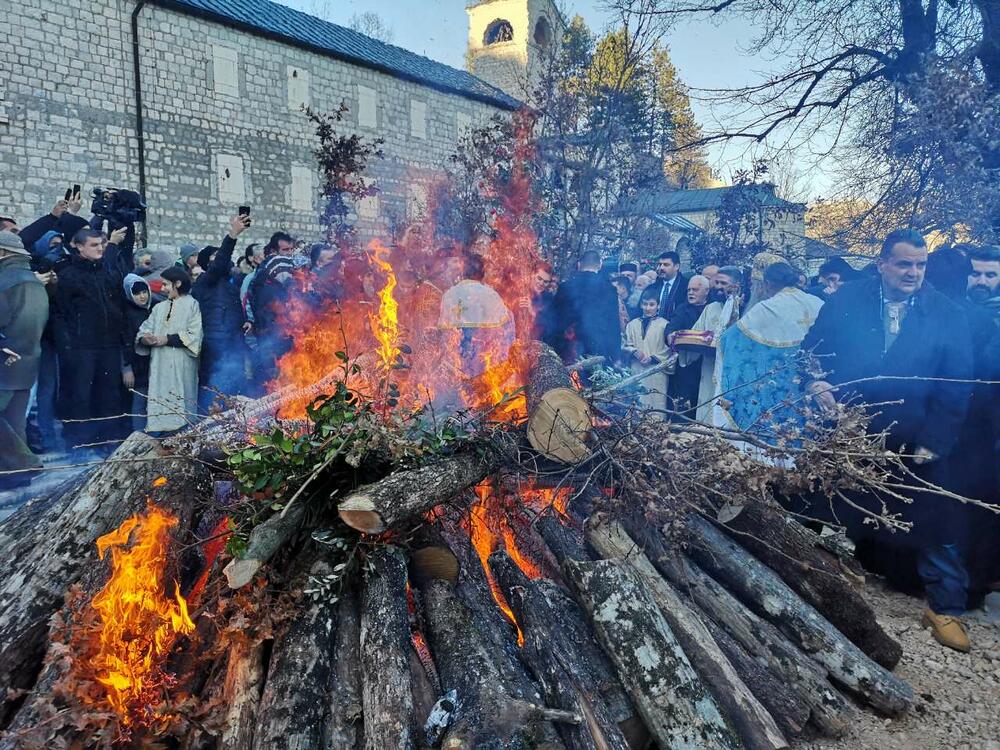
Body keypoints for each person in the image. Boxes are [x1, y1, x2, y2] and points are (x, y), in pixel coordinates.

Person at [801, 229, 974, 652]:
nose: (913, 272)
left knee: (935, 516)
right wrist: (815, 382)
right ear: (882, 264)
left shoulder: (947, 314)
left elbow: (957, 385)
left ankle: (944, 607)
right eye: (904, 264)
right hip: (850, 428)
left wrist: (936, 439)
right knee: (837, 509)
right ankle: (827, 592)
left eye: (920, 265)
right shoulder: (845, 301)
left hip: (916, 435)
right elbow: (812, 351)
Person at [713, 262, 823, 438]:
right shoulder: (817, 302)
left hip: (779, 382)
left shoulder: (766, 308)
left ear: (768, 283)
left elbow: (729, 339)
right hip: (813, 380)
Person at [52, 226, 132, 449]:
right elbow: (60, 314)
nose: (100, 249)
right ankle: (80, 445)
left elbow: (119, 307)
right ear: (78, 247)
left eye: (102, 244)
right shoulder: (68, 276)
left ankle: (109, 442)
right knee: (81, 396)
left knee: (109, 395)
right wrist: (67, 345)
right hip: (81, 347)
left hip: (109, 344)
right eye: (94, 245)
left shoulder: (108, 272)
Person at [0, 231, 48, 488]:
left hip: (4, 359)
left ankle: (24, 464)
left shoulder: (4, 281)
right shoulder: (35, 281)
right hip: (28, 361)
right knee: (14, 421)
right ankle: (15, 479)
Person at [192, 215, 250, 411]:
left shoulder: (229, 285)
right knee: (213, 388)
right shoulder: (205, 281)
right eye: (215, 258)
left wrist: (245, 322)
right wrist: (233, 234)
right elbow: (220, 263)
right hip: (216, 343)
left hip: (234, 341)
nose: (223, 260)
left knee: (234, 388)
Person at [137, 267, 203, 434]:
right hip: (160, 365)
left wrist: (166, 339)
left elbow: (195, 335)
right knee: (160, 402)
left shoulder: (192, 305)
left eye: (166, 284)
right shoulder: (159, 308)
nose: (162, 288)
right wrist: (145, 338)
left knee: (182, 406)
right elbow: (145, 328)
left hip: (182, 365)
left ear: (178, 284)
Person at [675, 266, 743, 422]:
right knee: (706, 411)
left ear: (737, 286)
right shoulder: (711, 308)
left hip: (731, 372)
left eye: (723, 283)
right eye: (716, 282)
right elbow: (696, 333)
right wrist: (681, 340)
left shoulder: (745, 308)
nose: (718, 286)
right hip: (709, 369)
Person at [438, 253, 515, 382]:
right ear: (483, 272)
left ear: (463, 270)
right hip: (485, 368)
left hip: (455, 369)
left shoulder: (449, 294)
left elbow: (443, 335)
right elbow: (508, 332)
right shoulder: (491, 295)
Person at [552, 250, 621, 364]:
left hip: (568, 349)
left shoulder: (565, 287)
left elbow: (555, 321)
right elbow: (613, 324)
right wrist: (616, 356)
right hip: (598, 350)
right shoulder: (609, 290)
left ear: (579, 264)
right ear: (600, 265)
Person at [622, 290, 673, 417]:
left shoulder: (665, 325)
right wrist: (634, 351)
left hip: (656, 372)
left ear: (658, 306)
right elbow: (624, 344)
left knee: (655, 404)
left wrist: (653, 358)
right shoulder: (632, 324)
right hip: (636, 370)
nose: (648, 308)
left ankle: (657, 431)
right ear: (641, 305)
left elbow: (669, 349)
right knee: (636, 403)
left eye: (651, 304)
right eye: (645, 304)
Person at [666, 274, 710, 412]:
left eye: (695, 290)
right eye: (689, 290)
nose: (690, 293)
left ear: (706, 291)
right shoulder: (682, 308)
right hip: (686, 364)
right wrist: (670, 335)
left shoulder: (714, 308)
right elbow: (671, 328)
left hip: (707, 362)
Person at [122, 273, 152, 431]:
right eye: (137, 293)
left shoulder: (150, 310)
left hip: (148, 363)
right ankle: (137, 434)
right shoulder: (127, 314)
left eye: (144, 292)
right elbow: (125, 342)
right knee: (139, 402)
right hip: (135, 365)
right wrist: (126, 368)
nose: (142, 297)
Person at [647, 251, 688, 321]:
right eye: (660, 264)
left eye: (666, 265)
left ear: (676, 266)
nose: (661, 268)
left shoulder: (686, 287)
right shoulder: (652, 288)